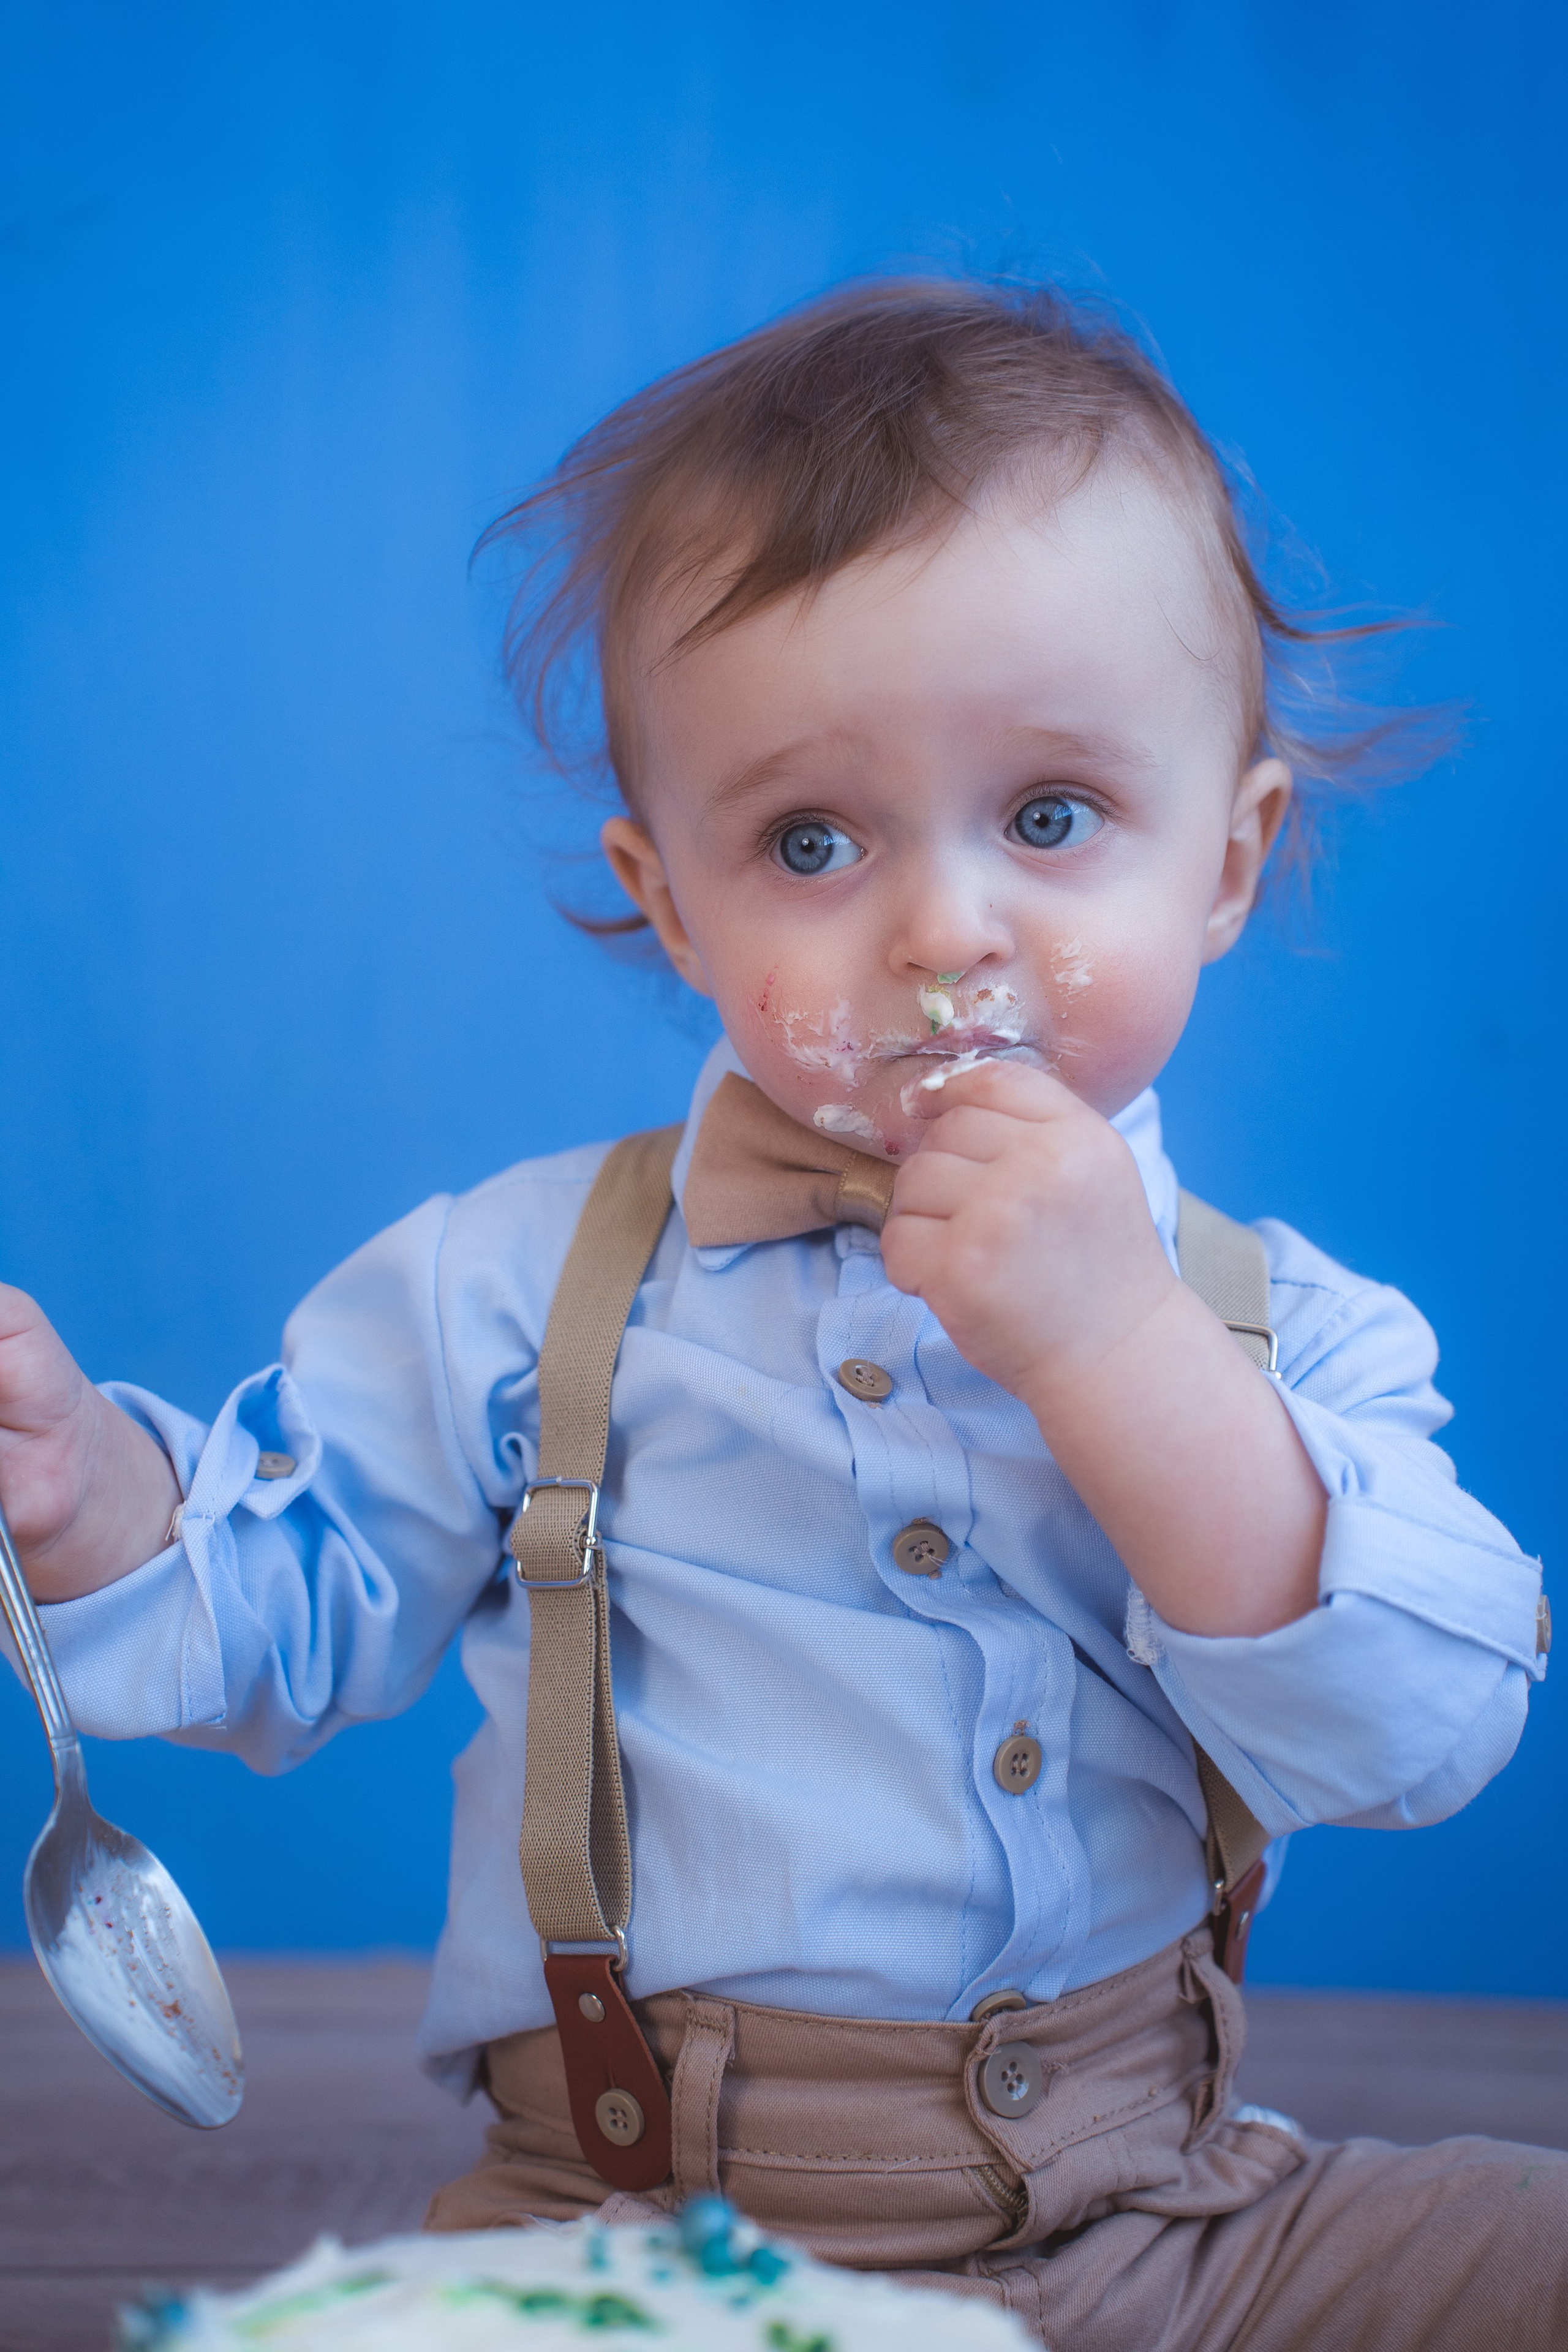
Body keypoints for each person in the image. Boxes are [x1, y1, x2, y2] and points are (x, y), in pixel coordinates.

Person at [1, 279, 1559, 2349]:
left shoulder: (1292, 1338)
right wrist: (90, 1494)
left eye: (1052, 815)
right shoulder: (514, 1291)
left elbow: (1424, 1736)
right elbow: (277, 1603)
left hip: (1172, 2230)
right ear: (675, 902)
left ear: (1229, 857)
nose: (943, 929)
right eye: (813, 839)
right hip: (635, 2244)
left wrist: (1120, 1353)